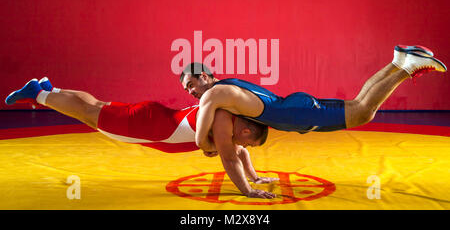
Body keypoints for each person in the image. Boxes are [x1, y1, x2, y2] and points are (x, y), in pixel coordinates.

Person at [5, 77, 278, 198]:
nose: (243, 146)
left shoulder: (227, 115)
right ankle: (39, 95)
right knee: (90, 116)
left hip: (154, 116)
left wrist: (255, 176)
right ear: (245, 130)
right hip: (150, 127)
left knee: (97, 106)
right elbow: (230, 160)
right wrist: (249, 191)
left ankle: (51, 88)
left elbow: (239, 153)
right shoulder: (223, 123)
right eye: (247, 141)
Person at [179, 45, 447, 152]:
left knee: (363, 112)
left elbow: (200, 140)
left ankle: (407, 66)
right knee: (357, 104)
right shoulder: (226, 85)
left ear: (205, 75)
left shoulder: (213, 95)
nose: (191, 92)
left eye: (192, 84)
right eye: (187, 89)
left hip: (294, 114)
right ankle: (398, 61)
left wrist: (211, 149)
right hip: (292, 107)